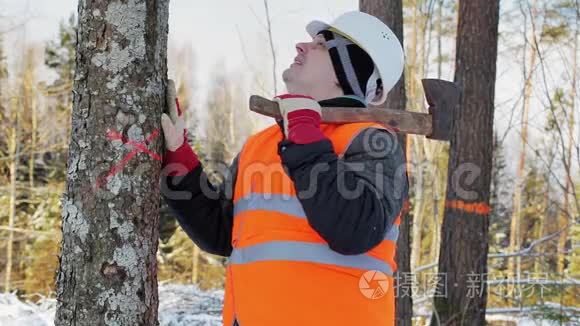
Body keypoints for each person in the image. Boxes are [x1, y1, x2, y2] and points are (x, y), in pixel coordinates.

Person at [160, 10, 409, 326]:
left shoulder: (371, 141)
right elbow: (221, 234)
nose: (300, 46)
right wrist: (178, 155)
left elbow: (355, 230)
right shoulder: (261, 144)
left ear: (347, 71)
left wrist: (306, 137)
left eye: (319, 44)